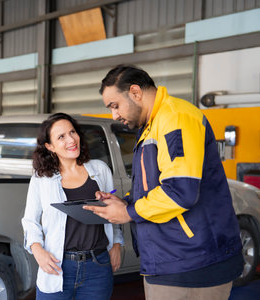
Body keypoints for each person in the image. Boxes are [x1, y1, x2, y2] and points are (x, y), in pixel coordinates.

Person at [84, 65, 243, 300]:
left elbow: (181, 192)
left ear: (136, 92)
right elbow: (159, 186)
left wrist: (129, 211)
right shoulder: (152, 126)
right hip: (172, 259)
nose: (114, 115)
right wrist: (125, 202)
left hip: (192, 264)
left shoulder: (175, 119)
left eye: (115, 106)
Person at [21, 113, 123, 299]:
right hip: (57, 265)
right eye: (61, 137)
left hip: (97, 266)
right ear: (49, 146)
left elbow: (114, 211)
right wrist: (38, 251)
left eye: (72, 132)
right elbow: (30, 220)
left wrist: (116, 243)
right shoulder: (42, 178)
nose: (71, 139)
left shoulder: (100, 170)